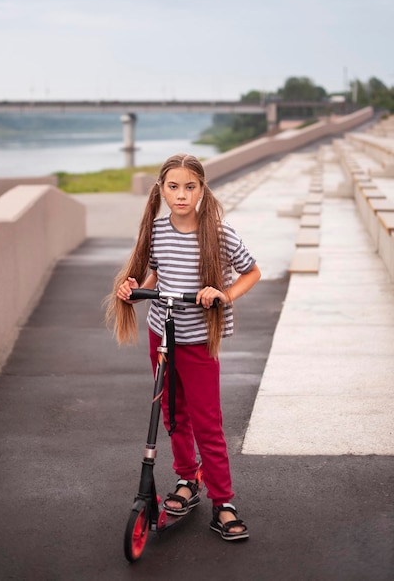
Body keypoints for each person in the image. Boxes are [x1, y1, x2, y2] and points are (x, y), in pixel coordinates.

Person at [105, 153, 261, 541]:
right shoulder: (157, 231)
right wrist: (133, 287)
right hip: (162, 335)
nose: (181, 194)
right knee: (173, 412)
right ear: (161, 190)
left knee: (207, 422)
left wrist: (222, 294)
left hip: (197, 343)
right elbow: (157, 272)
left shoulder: (220, 235)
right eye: (173, 187)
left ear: (202, 190)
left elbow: (253, 272)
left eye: (190, 186)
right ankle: (187, 478)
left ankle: (223, 502)